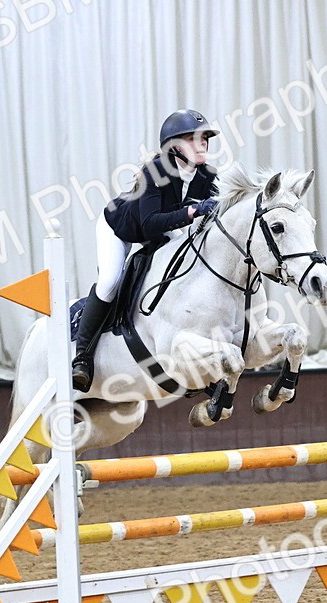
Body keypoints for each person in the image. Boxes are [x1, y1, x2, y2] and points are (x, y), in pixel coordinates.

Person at [71, 109, 220, 392]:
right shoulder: (157, 172)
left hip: (161, 229)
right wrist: (192, 211)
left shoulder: (207, 175)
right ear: (173, 147)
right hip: (120, 228)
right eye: (194, 138)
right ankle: (83, 357)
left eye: (205, 138)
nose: (203, 143)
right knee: (110, 281)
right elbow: (150, 223)